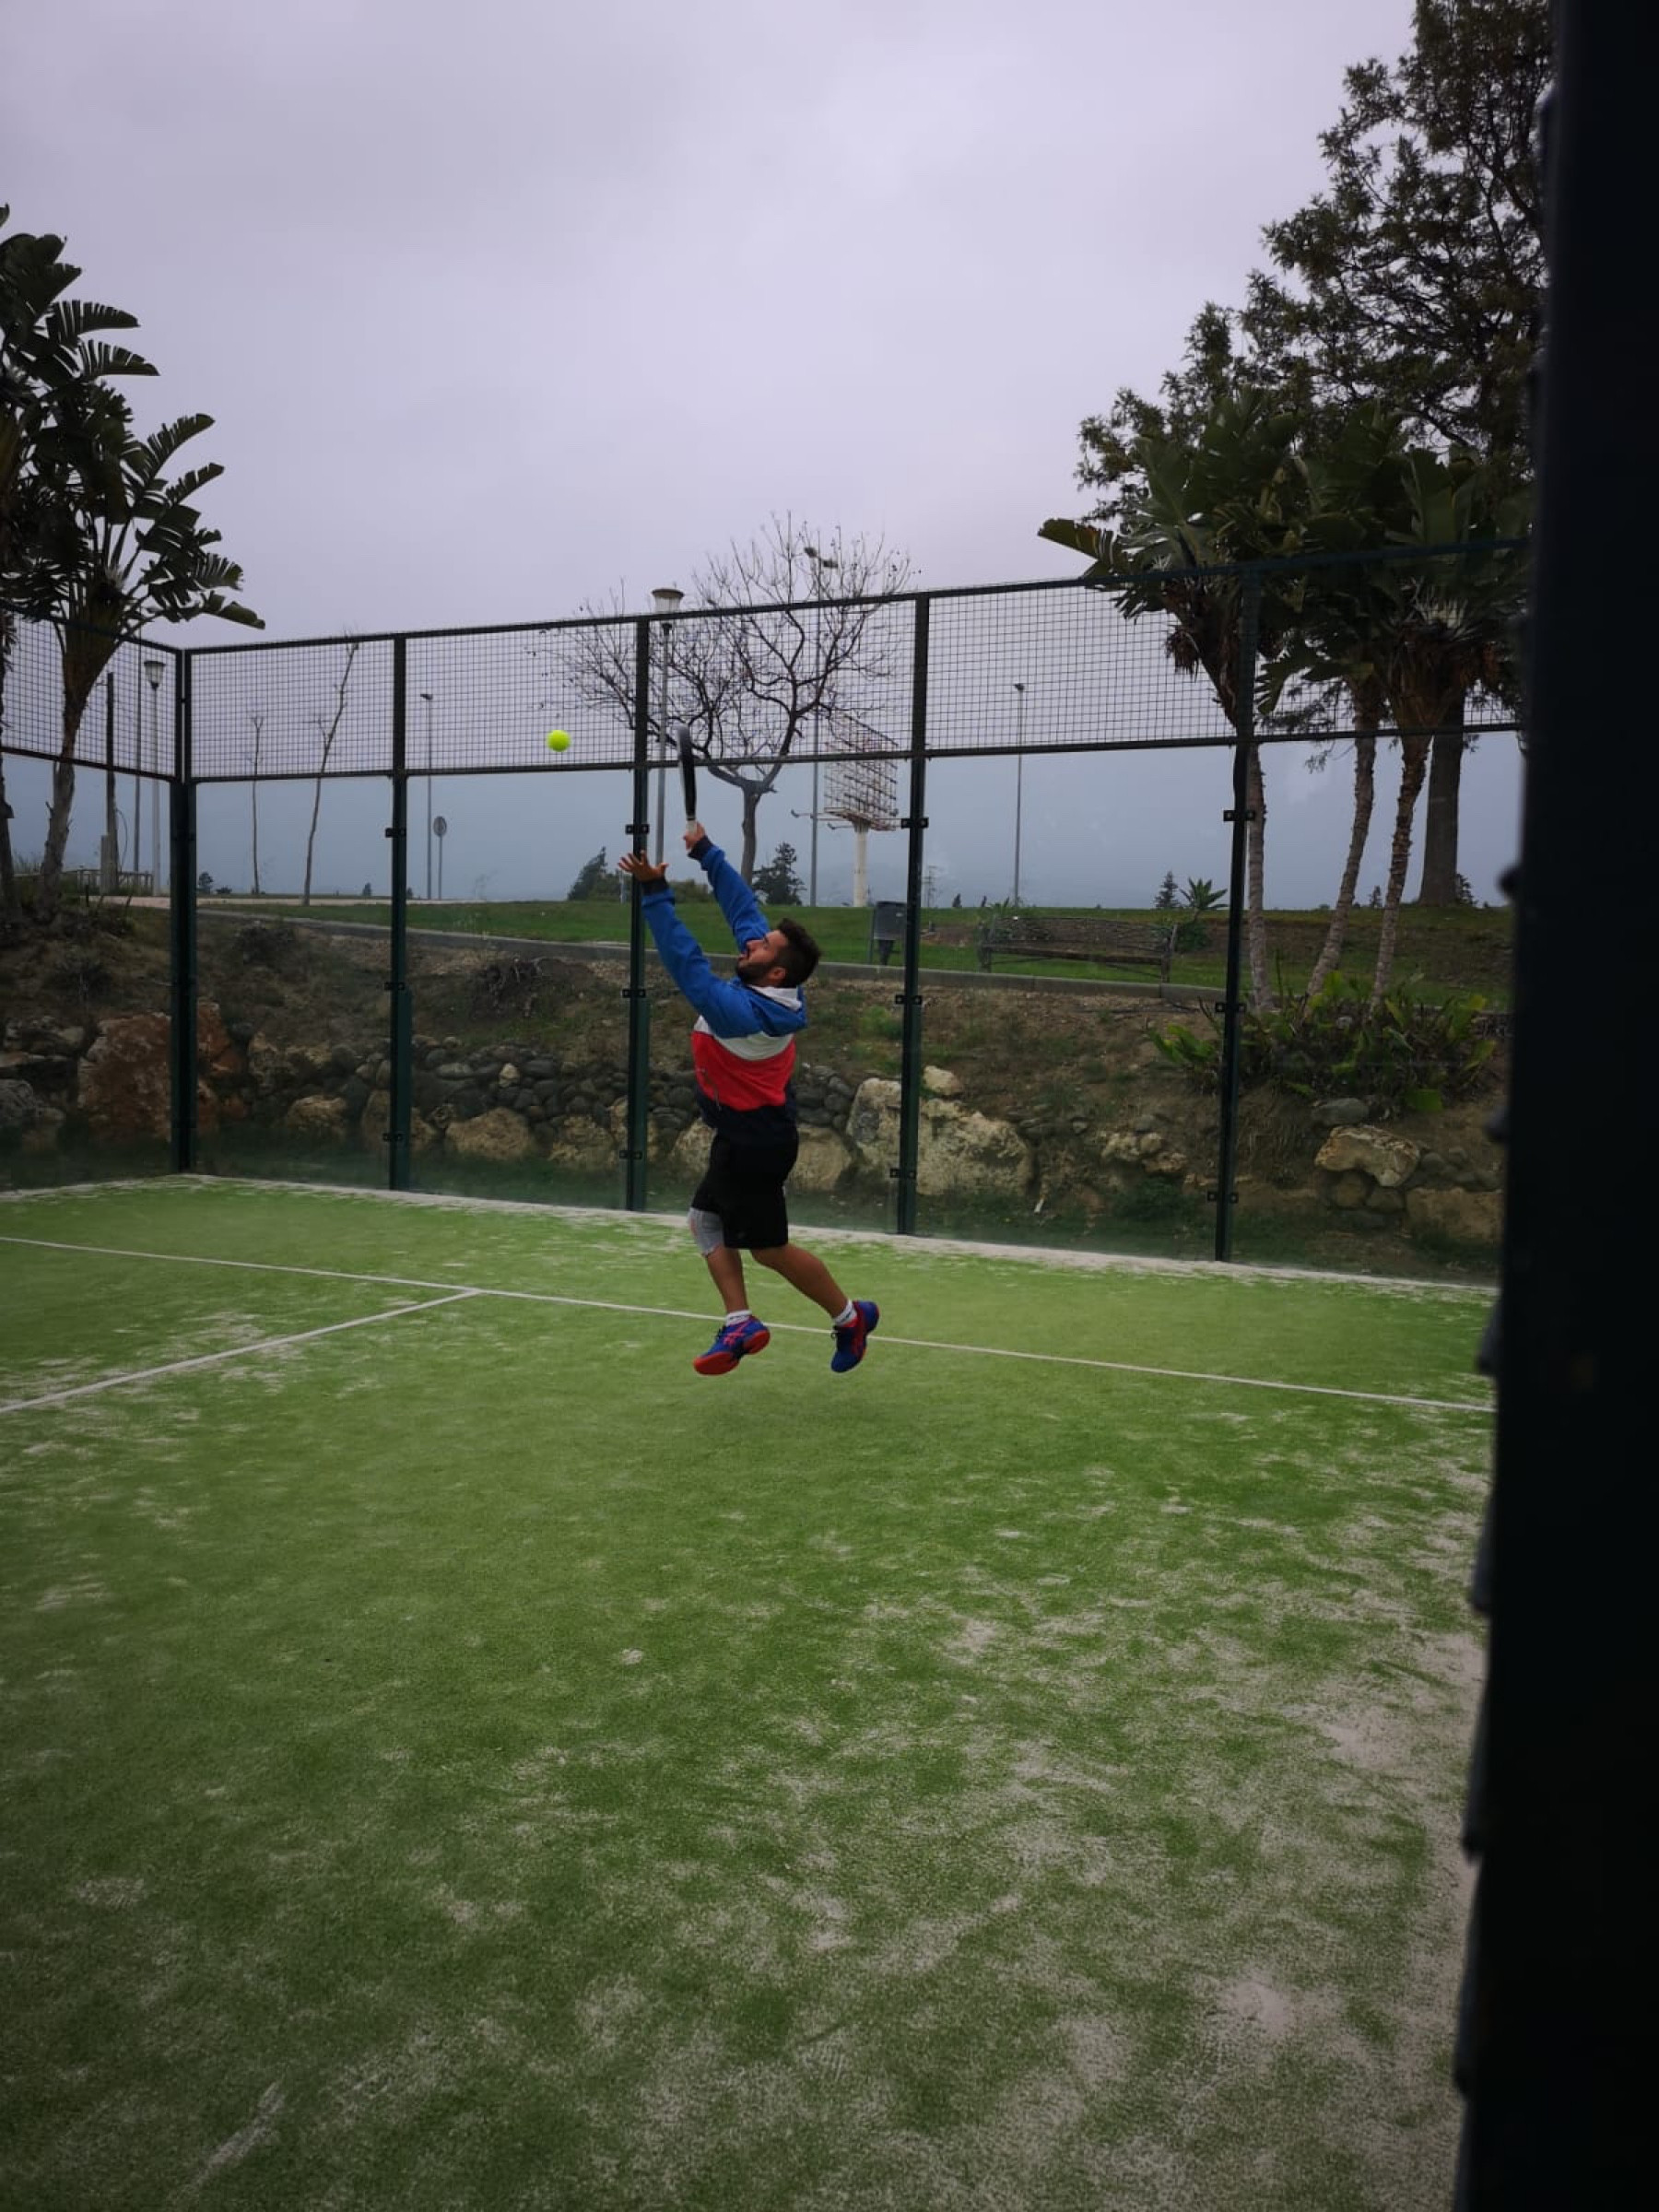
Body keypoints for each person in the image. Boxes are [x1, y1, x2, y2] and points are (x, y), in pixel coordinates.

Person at [618, 827, 878, 1377]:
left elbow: (687, 965)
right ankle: (741, 1320)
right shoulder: (773, 979)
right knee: (705, 1221)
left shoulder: (744, 1015)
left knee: (769, 1250)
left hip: (757, 1141)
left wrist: (655, 893)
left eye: (761, 947)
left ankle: (849, 1317)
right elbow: (741, 907)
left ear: (776, 971)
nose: (751, 944)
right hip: (745, 1134)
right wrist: (706, 852)